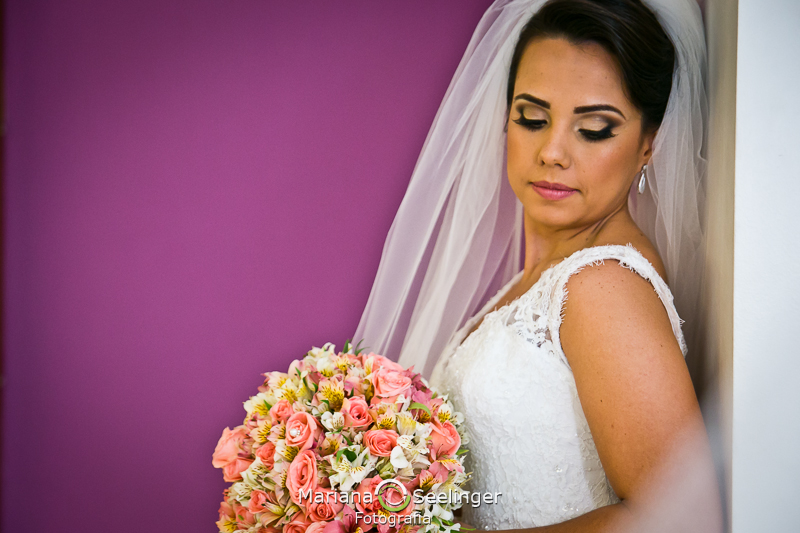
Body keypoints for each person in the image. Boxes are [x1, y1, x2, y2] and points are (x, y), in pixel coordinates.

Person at [356, 0, 722, 531]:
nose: (552, 151)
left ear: (649, 143)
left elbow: (682, 521)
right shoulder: (537, 280)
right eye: (532, 117)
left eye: (594, 128)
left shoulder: (604, 286)